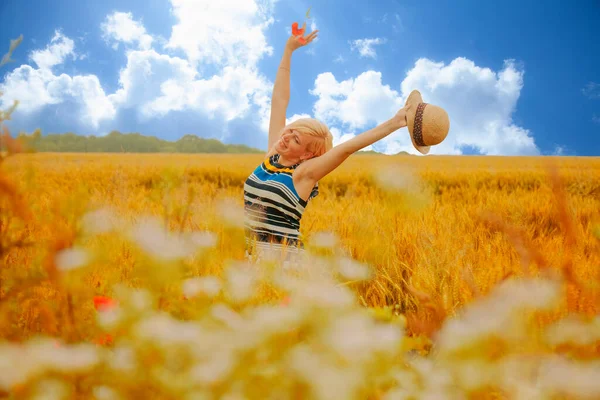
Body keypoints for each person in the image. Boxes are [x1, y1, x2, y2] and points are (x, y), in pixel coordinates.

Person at [243, 22, 449, 267]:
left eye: (296, 139)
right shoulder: (272, 156)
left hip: (284, 266)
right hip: (249, 261)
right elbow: (279, 100)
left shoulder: (303, 175)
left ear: (307, 155)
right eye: (291, 129)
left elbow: (347, 148)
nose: (286, 135)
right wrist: (289, 50)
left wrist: (394, 123)